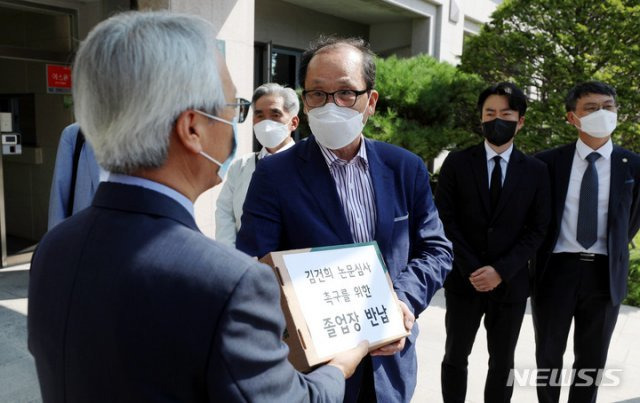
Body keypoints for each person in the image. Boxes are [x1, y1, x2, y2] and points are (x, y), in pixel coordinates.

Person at [28, 11, 367, 402]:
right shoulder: (229, 283)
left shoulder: (54, 247)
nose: (242, 123)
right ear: (192, 128)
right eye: (236, 108)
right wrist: (340, 366)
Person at [236, 36, 453, 403]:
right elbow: (256, 261)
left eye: (345, 93)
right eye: (317, 94)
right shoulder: (274, 174)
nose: (330, 105)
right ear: (304, 103)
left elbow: (435, 249)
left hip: (389, 364)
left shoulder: (405, 168)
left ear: (371, 101)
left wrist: (401, 300)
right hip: (316, 371)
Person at [435, 82, 550, 403]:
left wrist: (500, 270)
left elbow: (537, 230)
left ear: (520, 121)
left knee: (502, 362)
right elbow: (445, 221)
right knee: (455, 355)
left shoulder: (537, 171)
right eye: (490, 113)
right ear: (481, 118)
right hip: (463, 280)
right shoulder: (457, 163)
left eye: (506, 113)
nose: (497, 119)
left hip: (510, 284)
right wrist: (473, 268)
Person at [533, 81, 640, 403]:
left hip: (604, 275)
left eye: (608, 106)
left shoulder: (634, 165)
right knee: (548, 357)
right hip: (556, 271)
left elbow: (631, 220)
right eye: (591, 108)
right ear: (572, 118)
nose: (602, 113)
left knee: (591, 362)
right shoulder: (547, 163)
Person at [215, 83, 298, 246]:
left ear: (293, 123)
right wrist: (234, 257)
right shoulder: (240, 167)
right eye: (259, 115)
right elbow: (225, 214)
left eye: (275, 114)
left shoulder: (309, 165)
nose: (266, 123)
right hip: (247, 261)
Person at [48, 123, 106, 229]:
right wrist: (56, 242)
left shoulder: (134, 131)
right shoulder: (74, 133)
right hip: (82, 230)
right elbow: (59, 194)